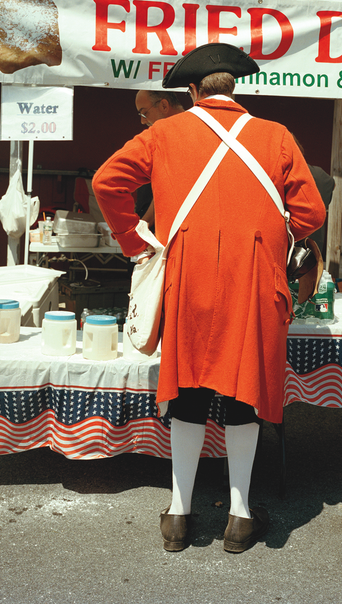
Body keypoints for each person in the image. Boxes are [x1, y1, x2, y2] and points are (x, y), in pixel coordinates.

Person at [93, 43, 325, 553]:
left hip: (188, 277)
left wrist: (137, 242)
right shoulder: (276, 135)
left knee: (189, 389)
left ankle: (179, 515)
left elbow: (106, 183)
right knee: (244, 393)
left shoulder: (163, 132)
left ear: (192, 91)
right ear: (233, 88)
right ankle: (240, 517)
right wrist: (272, 228)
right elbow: (311, 215)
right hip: (256, 281)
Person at [132, 90, 185, 228]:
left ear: (164, 105)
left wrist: (145, 224)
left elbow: (168, 189)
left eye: (145, 113)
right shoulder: (171, 133)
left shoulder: (183, 134)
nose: (143, 121)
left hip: (166, 228)